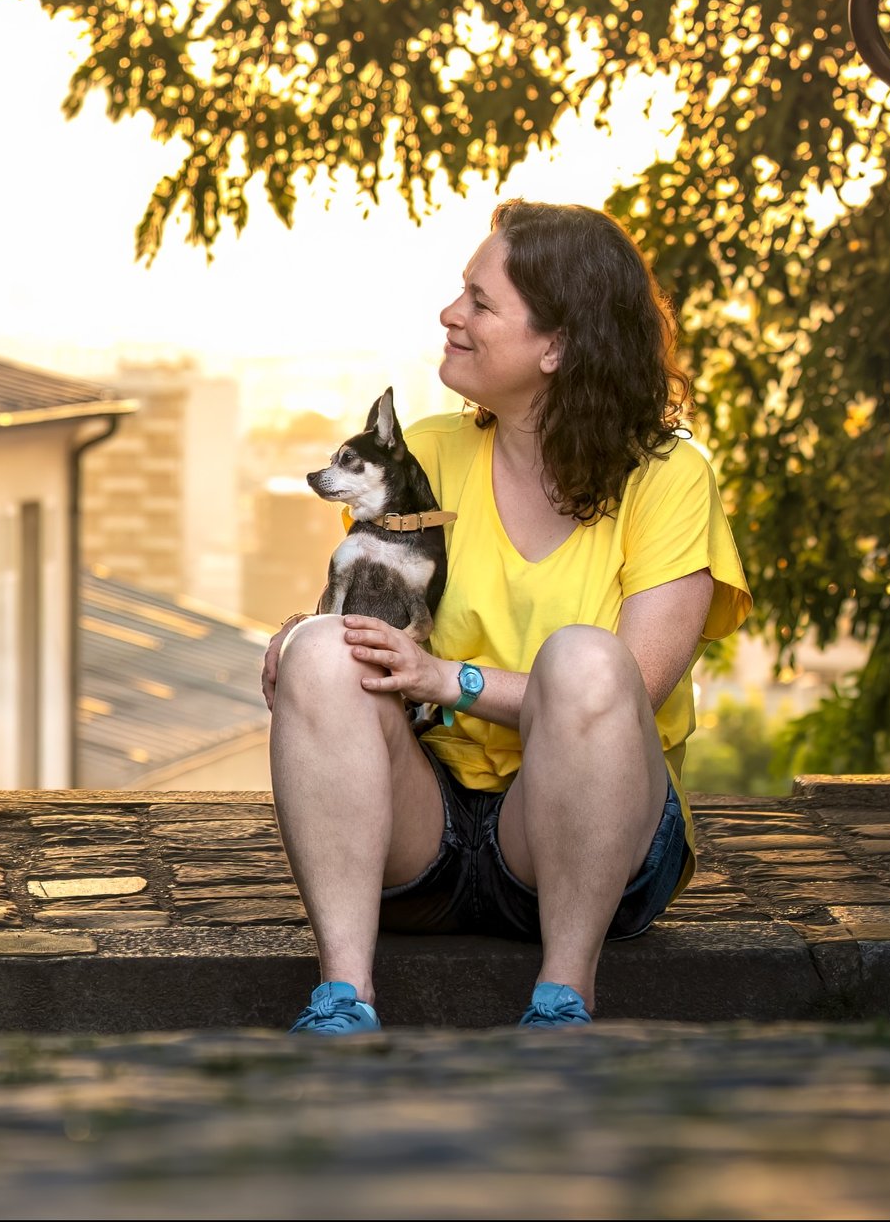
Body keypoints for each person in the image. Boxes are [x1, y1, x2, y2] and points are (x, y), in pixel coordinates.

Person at [262, 200, 748, 1032]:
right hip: (432, 830)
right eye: (462, 293)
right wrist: (303, 649)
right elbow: (367, 631)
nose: (451, 315)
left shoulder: (669, 475)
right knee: (318, 651)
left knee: (589, 664)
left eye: (480, 303)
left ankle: (565, 998)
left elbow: (632, 691)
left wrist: (447, 678)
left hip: (591, 838)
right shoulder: (430, 451)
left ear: (557, 346)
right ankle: (345, 997)